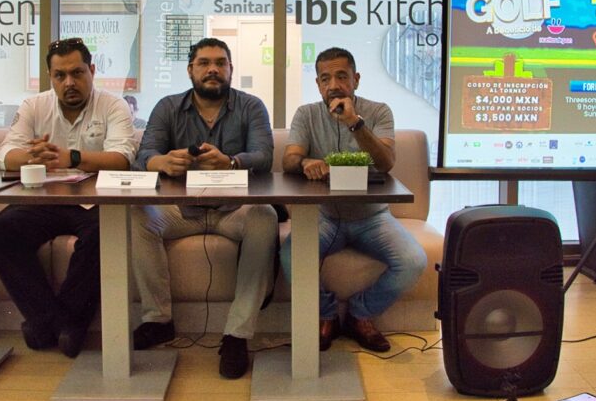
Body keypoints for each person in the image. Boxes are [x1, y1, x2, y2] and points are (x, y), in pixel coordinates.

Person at [130, 37, 275, 379]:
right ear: (190, 70)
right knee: (137, 214)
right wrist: (162, 161)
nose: (213, 69)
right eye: (204, 63)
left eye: (220, 63)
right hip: (182, 210)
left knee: (265, 216)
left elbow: (265, 157)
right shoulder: (167, 107)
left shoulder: (251, 106)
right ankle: (158, 320)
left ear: (230, 70)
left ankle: (237, 334)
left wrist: (232, 161)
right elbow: (143, 156)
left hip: (234, 209)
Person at [0, 38, 136, 358]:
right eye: (60, 75)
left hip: (95, 200)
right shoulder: (34, 106)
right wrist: (29, 156)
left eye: (78, 72)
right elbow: (3, 156)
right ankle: (50, 319)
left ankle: (68, 321)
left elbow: (123, 159)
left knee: (104, 233)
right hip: (44, 198)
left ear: (92, 71)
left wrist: (73, 156)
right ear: (50, 77)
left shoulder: (113, 105)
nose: (69, 82)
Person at [280, 47, 426, 353]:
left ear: (355, 80)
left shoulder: (378, 111)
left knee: (413, 261)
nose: (333, 84)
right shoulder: (306, 114)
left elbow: (385, 163)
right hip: (324, 217)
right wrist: (305, 162)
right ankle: (326, 314)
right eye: (325, 78)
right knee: (289, 255)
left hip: (371, 218)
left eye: (341, 76)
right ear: (318, 85)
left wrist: (355, 122)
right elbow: (289, 159)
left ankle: (360, 314)